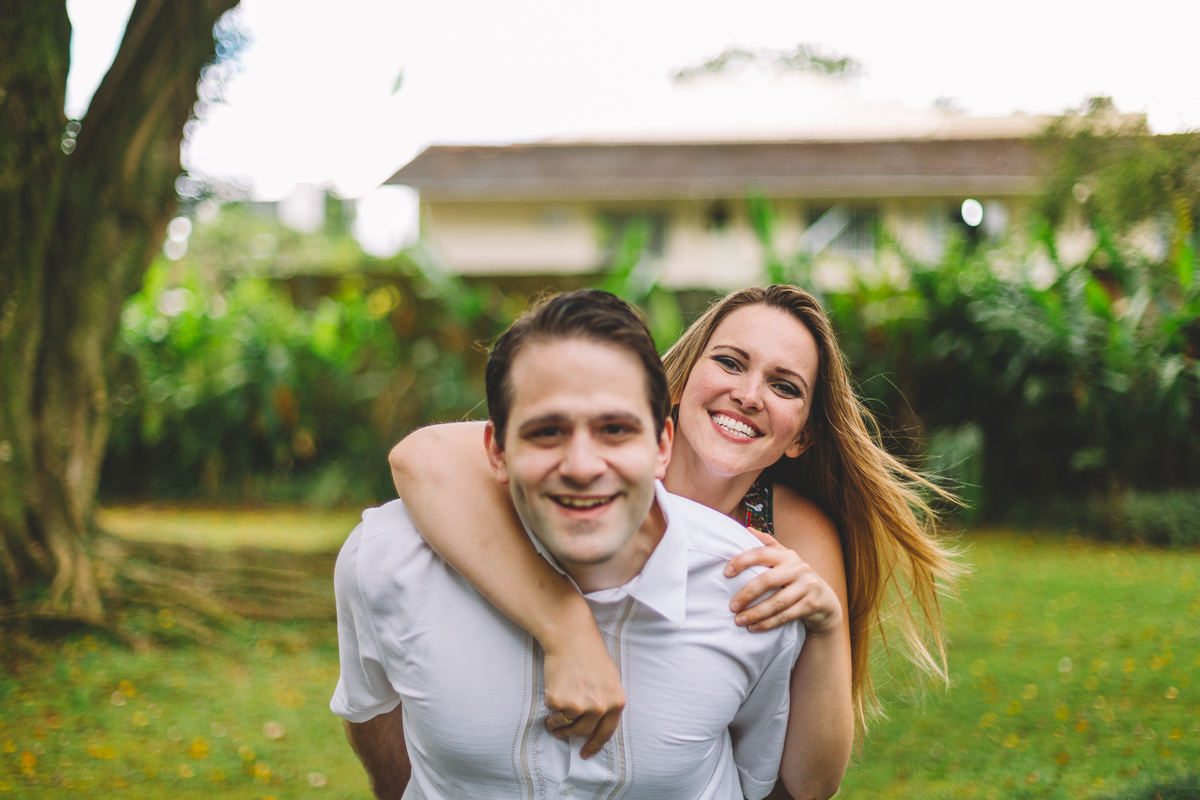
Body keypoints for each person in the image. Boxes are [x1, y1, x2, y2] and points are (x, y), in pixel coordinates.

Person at [389, 284, 965, 799]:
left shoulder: (795, 534)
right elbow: (420, 457)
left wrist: (827, 625)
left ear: (803, 435)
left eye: (783, 386)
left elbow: (810, 786)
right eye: (731, 362)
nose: (749, 394)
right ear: (685, 377)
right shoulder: (601, 462)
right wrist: (565, 628)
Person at [332, 289, 806, 800]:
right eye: (548, 431)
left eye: (615, 430)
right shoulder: (386, 558)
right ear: (496, 450)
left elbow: (773, 781)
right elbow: (371, 710)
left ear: (661, 446)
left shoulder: (753, 592)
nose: (582, 467)